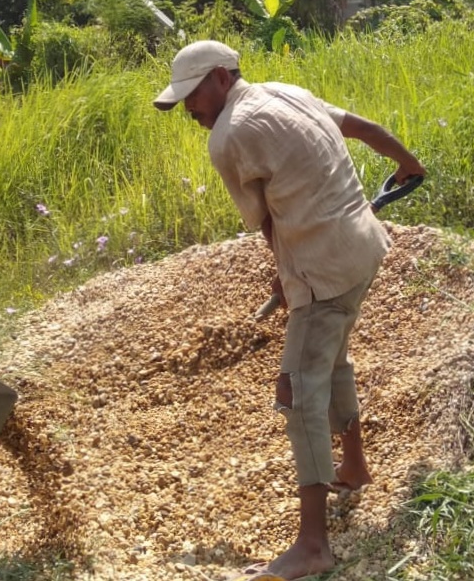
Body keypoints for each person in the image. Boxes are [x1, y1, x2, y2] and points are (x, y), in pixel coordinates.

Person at [153, 40, 426, 580]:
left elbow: (268, 225)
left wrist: (287, 279)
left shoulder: (230, 137)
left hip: (323, 273)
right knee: (333, 361)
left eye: (193, 96)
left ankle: (312, 544)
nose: (190, 109)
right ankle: (353, 465)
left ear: (221, 78)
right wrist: (406, 161)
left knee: (298, 391)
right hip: (364, 251)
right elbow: (359, 126)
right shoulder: (287, 93)